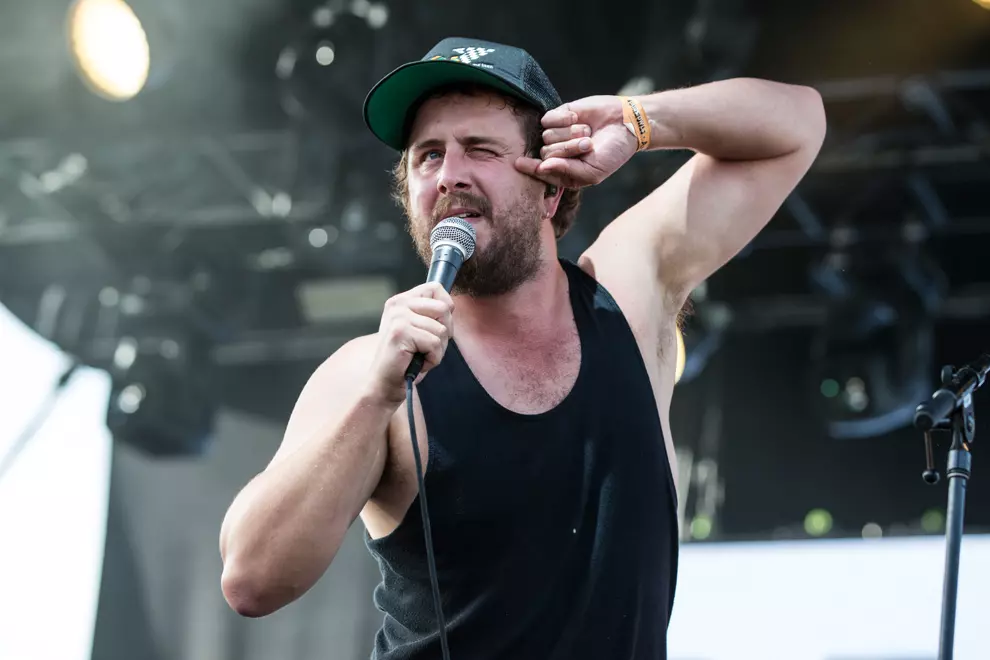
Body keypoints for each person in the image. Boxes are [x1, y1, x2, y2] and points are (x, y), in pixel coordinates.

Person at [219, 37, 826, 659]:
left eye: (480, 149)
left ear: (550, 188)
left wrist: (637, 119)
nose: (449, 175)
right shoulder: (372, 371)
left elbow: (798, 124)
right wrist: (374, 400)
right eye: (428, 156)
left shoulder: (627, 294)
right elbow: (251, 579)